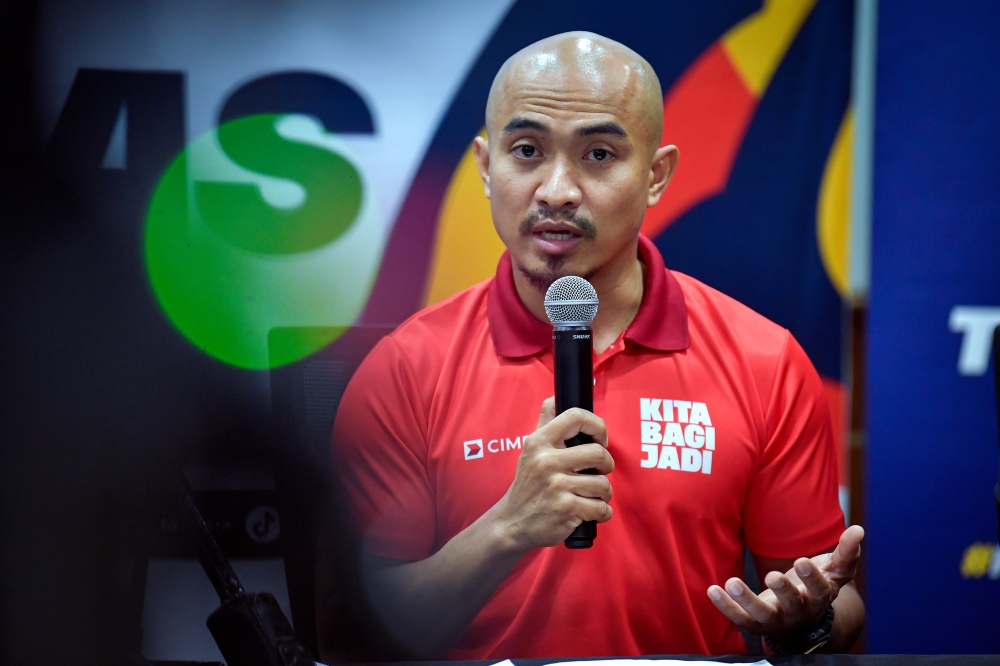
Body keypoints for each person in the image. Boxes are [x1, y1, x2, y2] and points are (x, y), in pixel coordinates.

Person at [328, 32, 865, 659]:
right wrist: (509, 527)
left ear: (656, 175)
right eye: (526, 150)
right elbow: (355, 637)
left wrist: (807, 621)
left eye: (600, 155)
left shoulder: (764, 361)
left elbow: (835, 605)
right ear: (485, 166)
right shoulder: (405, 369)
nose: (557, 190)